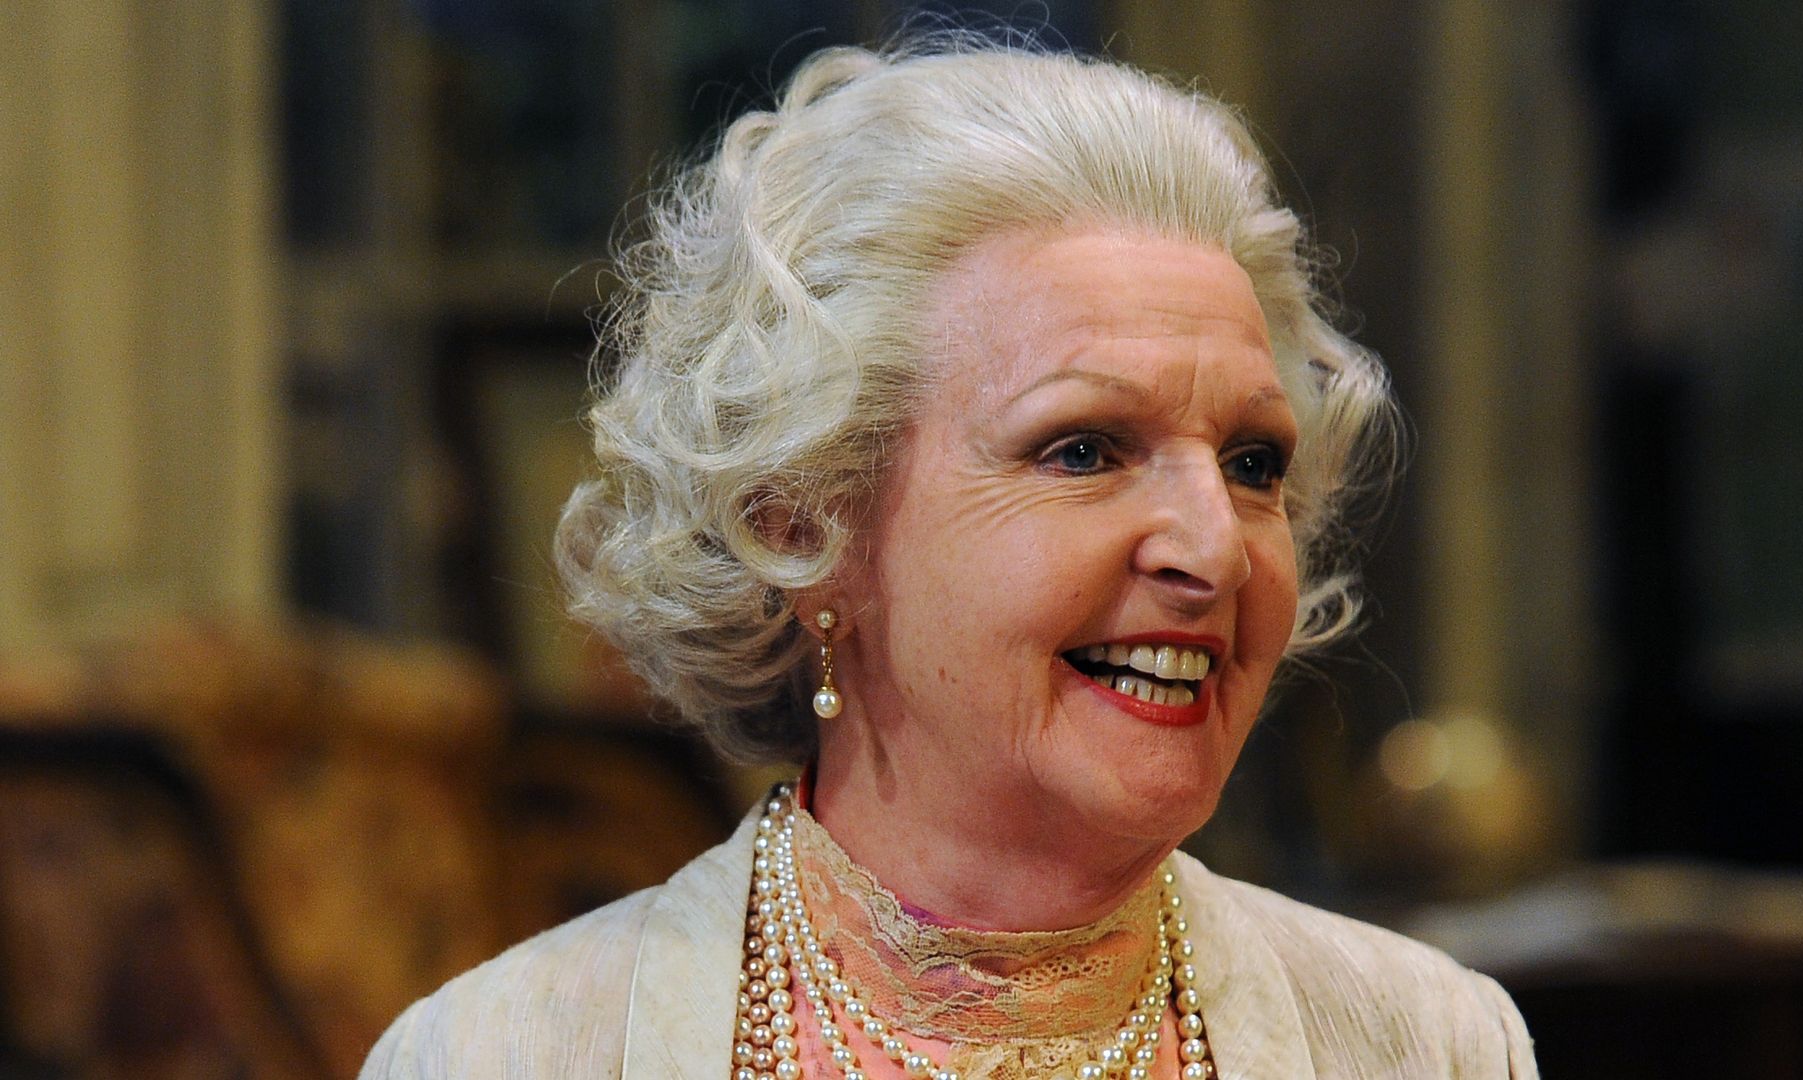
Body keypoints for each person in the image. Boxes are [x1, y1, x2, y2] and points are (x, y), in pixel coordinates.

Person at [361, 38, 1538, 1080]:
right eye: (1083, 450)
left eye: (1253, 462)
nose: (1214, 550)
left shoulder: (1426, 1045)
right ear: (802, 526)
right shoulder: (507, 1054)